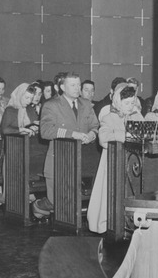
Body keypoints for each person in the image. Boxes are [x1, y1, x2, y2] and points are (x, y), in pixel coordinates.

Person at [33, 73, 99, 219]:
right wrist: (73, 134)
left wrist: (92, 134)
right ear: (62, 87)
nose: (77, 88)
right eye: (73, 85)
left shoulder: (86, 104)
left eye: (78, 85)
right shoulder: (52, 105)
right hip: (59, 159)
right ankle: (38, 205)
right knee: (55, 201)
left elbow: (94, 125)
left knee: (70, 200)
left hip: (82, 159)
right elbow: (45, 131)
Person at [86, 85, 143, 234]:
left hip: (133, 163)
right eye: (126, 103)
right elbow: (103, 139)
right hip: (113, 163)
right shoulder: (108, 118)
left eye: (132, 102)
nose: (130, 106)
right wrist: (125, 136)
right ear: (118, 102)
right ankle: (112, 225)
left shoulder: (137, 117)